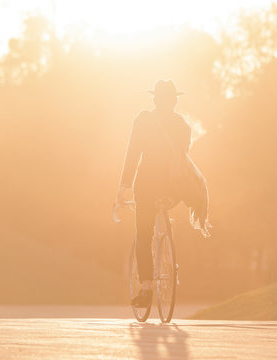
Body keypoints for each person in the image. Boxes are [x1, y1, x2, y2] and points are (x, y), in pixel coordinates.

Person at [116, 80, 211, 307]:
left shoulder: (143, 120)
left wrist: (124, 185)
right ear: (175, 101)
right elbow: (180, 161)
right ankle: (168, 258)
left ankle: (146, 287)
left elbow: (133, 153)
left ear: (154, 99)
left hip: (146, 183)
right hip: (172, 187)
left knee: (144, 236)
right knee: (164, 213)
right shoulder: (182, 126)